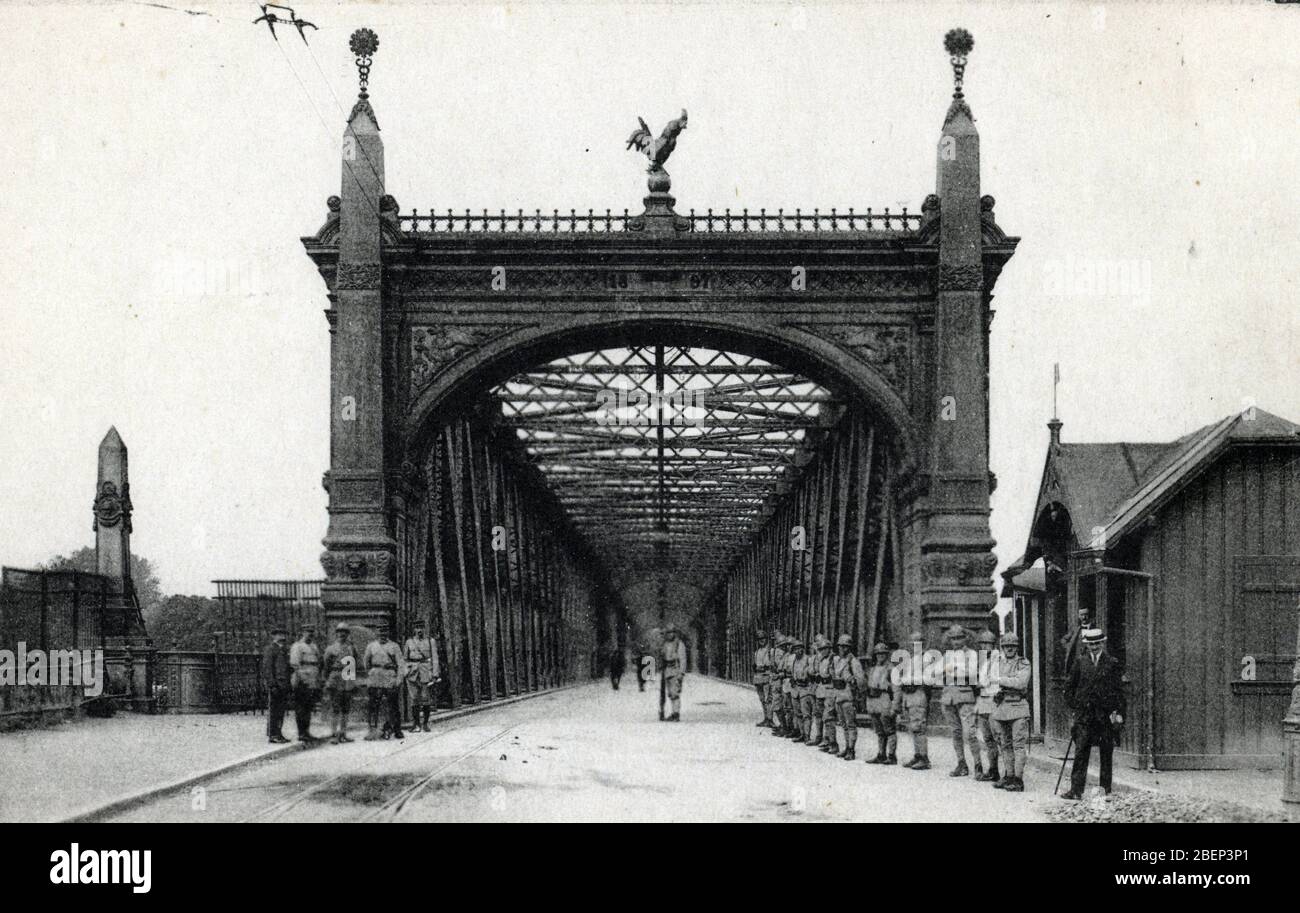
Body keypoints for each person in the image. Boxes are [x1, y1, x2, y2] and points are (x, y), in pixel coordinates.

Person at [1062, 628, 1125, 800]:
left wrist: (1119, 713)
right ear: (1087, 645)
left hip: (1104, 717)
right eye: (1091, 644)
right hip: (1085, 717)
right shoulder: (1080, 663)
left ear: (1103, 644)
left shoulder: (1112, 663)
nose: (1095, 647)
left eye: (1097, 643)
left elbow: (1119, 692)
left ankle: (1106, 790)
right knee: (1081, 752)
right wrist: (1077, 706)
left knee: (1106, 753)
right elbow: (1068, 689)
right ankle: (1076, 790)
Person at [991, 632, 1032, 792]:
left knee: (1018, 744)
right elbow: (988, 679)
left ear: (1017, 648)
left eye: (1012, 646)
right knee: (1004, 744)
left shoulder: (1023, 663)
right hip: (1001, 707)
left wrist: (1000, 680)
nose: (1009, 649)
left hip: (1018, 707)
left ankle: (1018, 779)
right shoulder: (997, 662)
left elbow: (1021, 682)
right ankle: (1008, 775)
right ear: (1002, 647)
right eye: (1006, 646)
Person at [940, 625, 982, 778]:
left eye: (959, 638)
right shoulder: (947, 655)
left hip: (965, 696)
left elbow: (971, 673)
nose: (956, 641)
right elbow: (938, 672)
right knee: (955, 732)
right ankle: (961, 764)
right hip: (948, 696)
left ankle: (978, 765)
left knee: (970, 732)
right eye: (953, 638)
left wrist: (952, 667)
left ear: (965, 638)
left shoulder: (971, 654)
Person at [364, 622, 405, 740]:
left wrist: (399, 679)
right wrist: (371, 674)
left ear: (388, 632)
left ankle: (396, 729)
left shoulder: (394, 646)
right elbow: (366, 662)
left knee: (393, 706)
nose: (382, 634)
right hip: (375, 678)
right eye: (380, 631)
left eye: (385, 631)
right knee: (373, 705)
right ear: (377, 632)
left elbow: (401, 664)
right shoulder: (371, 646)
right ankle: (372, 730)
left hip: (389, 678)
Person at [897, 630, 931, 770]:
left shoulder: (927, 658)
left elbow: (928, 679)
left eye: (918, 643)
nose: (915, 646)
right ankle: (917, 755)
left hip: (918, 694)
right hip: (909, 696)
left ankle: (923, 758)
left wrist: (908, 679)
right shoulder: (911, 659)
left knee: (919, 727)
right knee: (913, 727)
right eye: (913, 643)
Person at [322, 622, 358, 744]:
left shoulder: (351, 648)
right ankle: (333, 734)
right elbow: (326, 666)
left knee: (346, 708)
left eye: (344, 632)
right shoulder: (331, 648)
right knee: (335, 708)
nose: (342, 634)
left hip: (347, 679)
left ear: (347, 634)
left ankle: (343, 733)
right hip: (335, 679)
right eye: (339, 632)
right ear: (336, 634)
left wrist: (353, 681)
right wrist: (327, 681)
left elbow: (354, 664)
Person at [973, 629, 1001, 782]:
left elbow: (989, 680)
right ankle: (993, 769)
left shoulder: (998, 658)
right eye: (982, 644)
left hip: (992, 699)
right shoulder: (985, 660)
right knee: (987, 738)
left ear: (993, 644)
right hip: (983, 699)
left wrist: (980, 682)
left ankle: (1006, 772)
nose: (984, 646)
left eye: (987, 644)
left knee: (997, 737)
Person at [831, 634, 865, 761]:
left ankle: (851, 749)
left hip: (848, 696)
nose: (842, 649)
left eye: (845, 647)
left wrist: (850, 680)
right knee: (843, 725)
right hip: (838, 695)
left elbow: (861, 681)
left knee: (851, 725)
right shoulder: (838, 660)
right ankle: (846, 747)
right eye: (840, 646)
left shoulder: (853, 661)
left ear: (849, 648)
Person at [863, 642, 897, 765]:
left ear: (887, 655)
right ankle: (881, 754)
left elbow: (896, 688)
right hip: (873, 700)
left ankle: (892, 756)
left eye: (883, 654)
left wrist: (895, 705)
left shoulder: (891, 669)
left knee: (889, 728)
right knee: (879, 730)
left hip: (885, 699)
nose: (880, 656)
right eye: (878, 654)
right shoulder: (872, 669)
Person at [403, 621, 440, 732]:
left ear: (425, 628)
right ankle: (416, 724)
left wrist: (435, 674)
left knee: (425, 699)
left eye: (421, 627)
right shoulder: (409, 642)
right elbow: (405, 659)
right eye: (417, 628)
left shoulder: (430, 641)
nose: (419, 630)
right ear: (414, 629)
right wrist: (406, 672)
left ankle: (425, 724)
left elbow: (435, 658)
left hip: (425, 671)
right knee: (414, 699)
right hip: (412, 673)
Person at [288, 623, 322, 742]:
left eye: (312, 632)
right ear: (302, 633)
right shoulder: (298, 646)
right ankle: (301, 733)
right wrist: (302, 679)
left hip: (312, 680)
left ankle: (306, 731)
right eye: (308, 632)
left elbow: (317, 662)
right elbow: (295, 664)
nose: (310, 634)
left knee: (308, 707)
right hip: (302, 680)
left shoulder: (313, 646)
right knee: (301, 707)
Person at [262, 627, 292, 744]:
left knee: (281, 710)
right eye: (279, 634)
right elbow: (267, 669)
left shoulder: (284, 650)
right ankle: (272, 734)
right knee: (274, 710)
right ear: (273, 636)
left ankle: (279, 733)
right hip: (276, 684)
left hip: (284, 684)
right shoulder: (270, 649)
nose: (282, 637)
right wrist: (272, 684)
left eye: (284, 634)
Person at [809, 634, 833, 748]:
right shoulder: (819, 659)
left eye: (824, 648)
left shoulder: (834, 659)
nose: (822, 651)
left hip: (829, 689)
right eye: (820, 649)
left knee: (827, 716)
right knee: (817, 714)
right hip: (819, 689)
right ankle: (819, 736)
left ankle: (827, 739)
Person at [660, 625, 688, 721]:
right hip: (667, 671)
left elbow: (683, 659)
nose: (669, 634)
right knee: (670, 693)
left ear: (675, 633)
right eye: (668, 633)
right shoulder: (665, 644)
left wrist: (681, 673)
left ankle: (676, 713)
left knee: (675, 693)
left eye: (671, 632)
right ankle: (673, 712)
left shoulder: (679, 644)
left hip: (676, 670)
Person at [789, 639, 813, 743]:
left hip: (805, 689)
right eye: (795, 649)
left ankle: (807, 735)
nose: (797, 651)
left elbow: (810, 673)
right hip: (796, 689)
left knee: (806, 714)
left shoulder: (808, 659)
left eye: (799, 648)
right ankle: (802, 734)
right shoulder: (794, 660)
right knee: (797, 713)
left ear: (803, 649)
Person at [752, 629, 775, 727]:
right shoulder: (756, 652)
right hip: (758, 677)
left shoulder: (771, 651)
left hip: (766, 675)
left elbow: (773, 664)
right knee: (762, 699)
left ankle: (770, 719)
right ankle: (766, 718)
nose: (761, 640)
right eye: (759, 639)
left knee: (768, 699)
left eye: (763, 638)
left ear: (766, 639)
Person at [768, 634, 790, 736]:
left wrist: (779, 674)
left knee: (779, 705)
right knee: (777, 704)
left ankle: (784, 727)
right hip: (776, 681)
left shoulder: (783, 655)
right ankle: (783, 726)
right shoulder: (775, 653)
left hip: (781, 681)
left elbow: (783, 668)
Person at [1060, 606, 1092, 674]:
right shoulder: (1076, 630)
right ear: (1078, 616)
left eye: (1086, 614)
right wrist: (1069, 647)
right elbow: (1063, 640)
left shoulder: (1094, 629)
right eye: (1081, 615)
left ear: (1089, 615)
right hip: (1076, 665)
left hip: (1089, 664)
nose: (1084, 617)